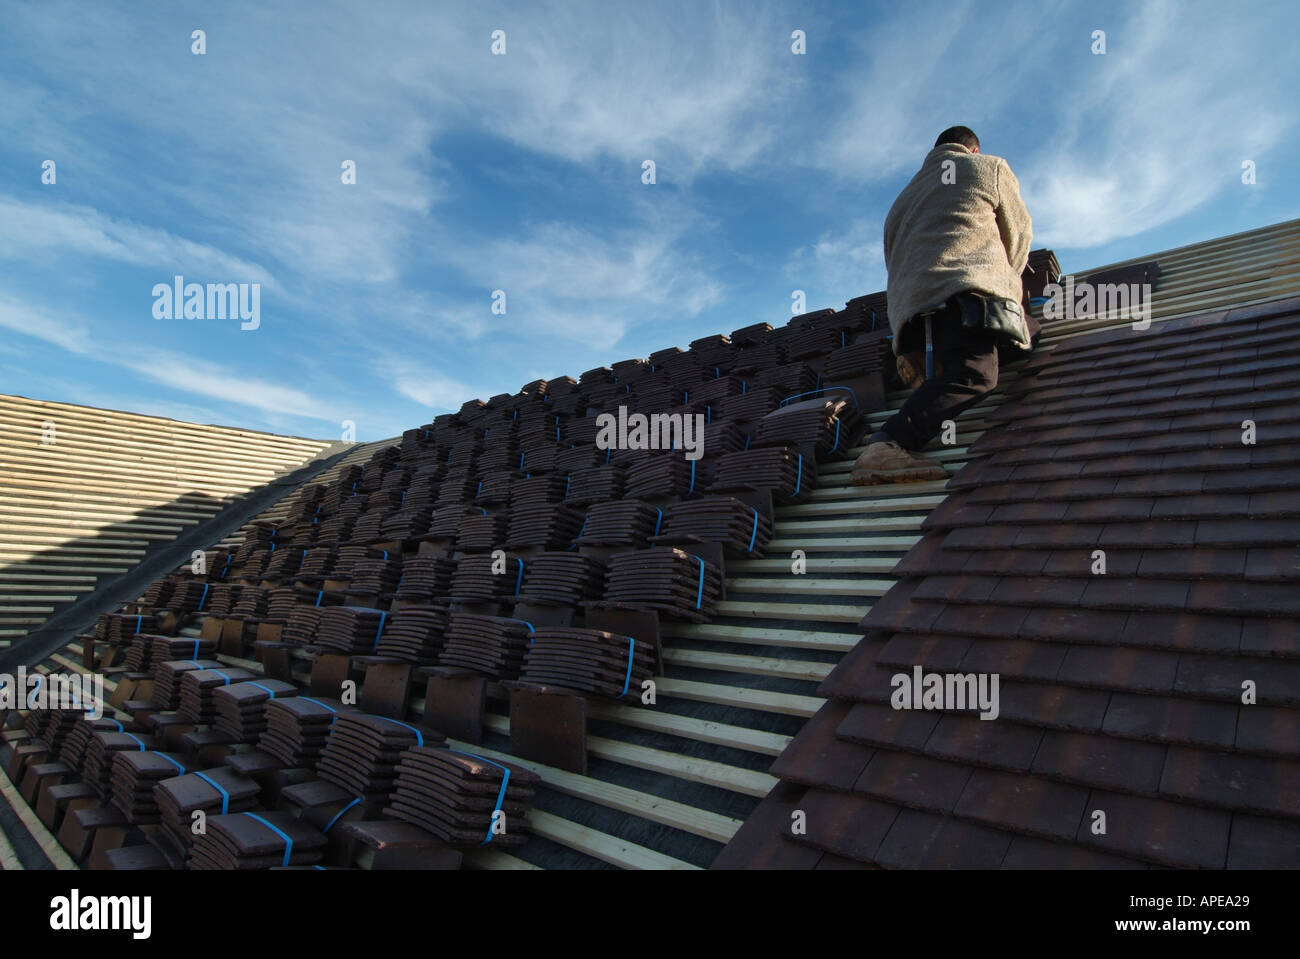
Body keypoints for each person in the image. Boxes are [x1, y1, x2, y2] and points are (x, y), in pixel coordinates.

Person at [852, 126, 1033, 484]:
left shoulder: (901, 200)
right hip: (964, 292)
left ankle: (923, 359)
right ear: (974, 150)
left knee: (1024, 334)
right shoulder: (989, 168)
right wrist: (1008, 285)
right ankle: (889, 443)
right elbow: (1019, 235)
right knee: (976, 374)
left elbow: (893, 259)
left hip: (910, 310)